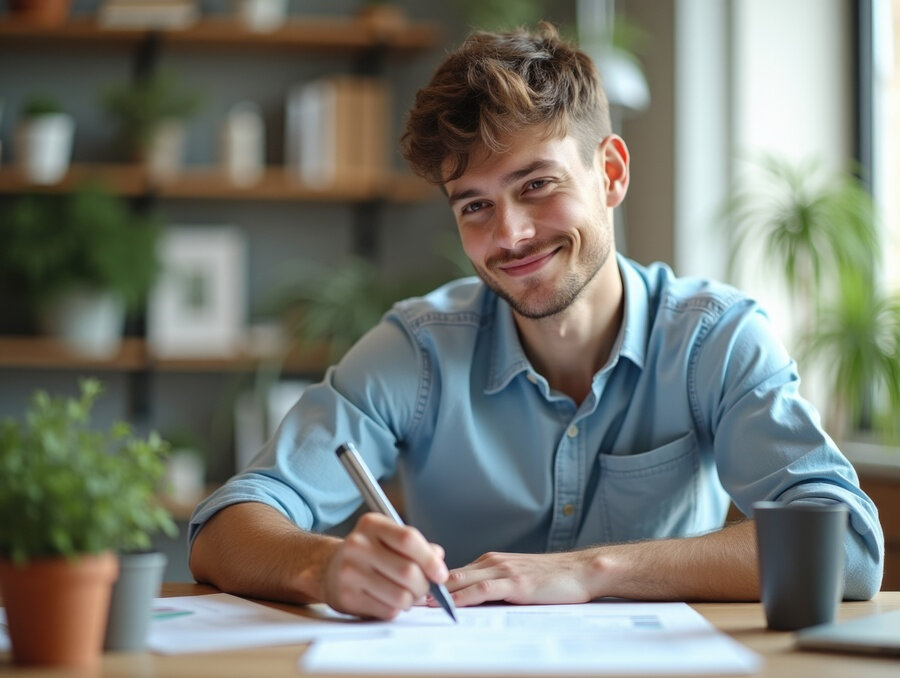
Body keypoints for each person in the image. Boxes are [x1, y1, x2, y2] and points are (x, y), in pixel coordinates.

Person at [189, 23, 883, 620]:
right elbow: (222, 530)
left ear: (610, 173)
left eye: (537, 185)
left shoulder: (715, 339)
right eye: (474, 206)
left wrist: (590, 571)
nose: (510, 235)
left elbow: (846, 545)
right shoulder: (416, 350)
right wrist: (325, 567)